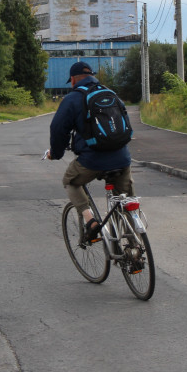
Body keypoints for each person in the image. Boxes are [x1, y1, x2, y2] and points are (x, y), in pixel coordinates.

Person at [47, 61, 134, 242]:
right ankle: (134, 241)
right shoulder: (111, 94)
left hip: (92, 161)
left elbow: (58, 129)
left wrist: (55, 153)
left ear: (72, 80)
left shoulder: (73, 98)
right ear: (92, 75)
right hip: (122, 158)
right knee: (124, 198)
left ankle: (90, 222)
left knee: (70, 181)